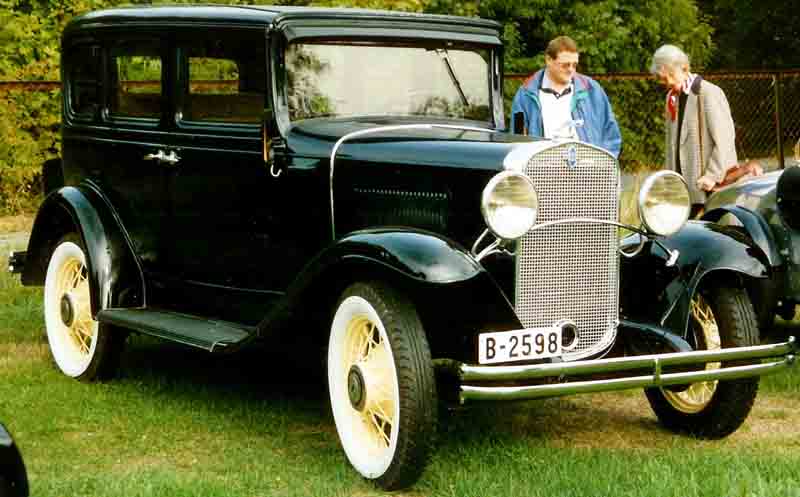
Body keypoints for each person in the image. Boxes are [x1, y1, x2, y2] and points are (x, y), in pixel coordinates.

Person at [650, 44, 737, 216]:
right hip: (684, 192)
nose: (666, 82)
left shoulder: (708, 93)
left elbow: (725, 140)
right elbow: (672, 145)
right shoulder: (671, 98)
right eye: (662, 78)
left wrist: (712, 176)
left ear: (684, 68)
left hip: (710, 189)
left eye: (670, 76)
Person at [511, 35, 622, 158]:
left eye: (574, 65)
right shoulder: (525, 95)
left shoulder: (592, 90)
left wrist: (603, 166)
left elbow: (612, 135)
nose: (571, 70)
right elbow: (516, 140)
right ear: (548, 60)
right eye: (565, 65)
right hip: (543, 170)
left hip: (587, 170)